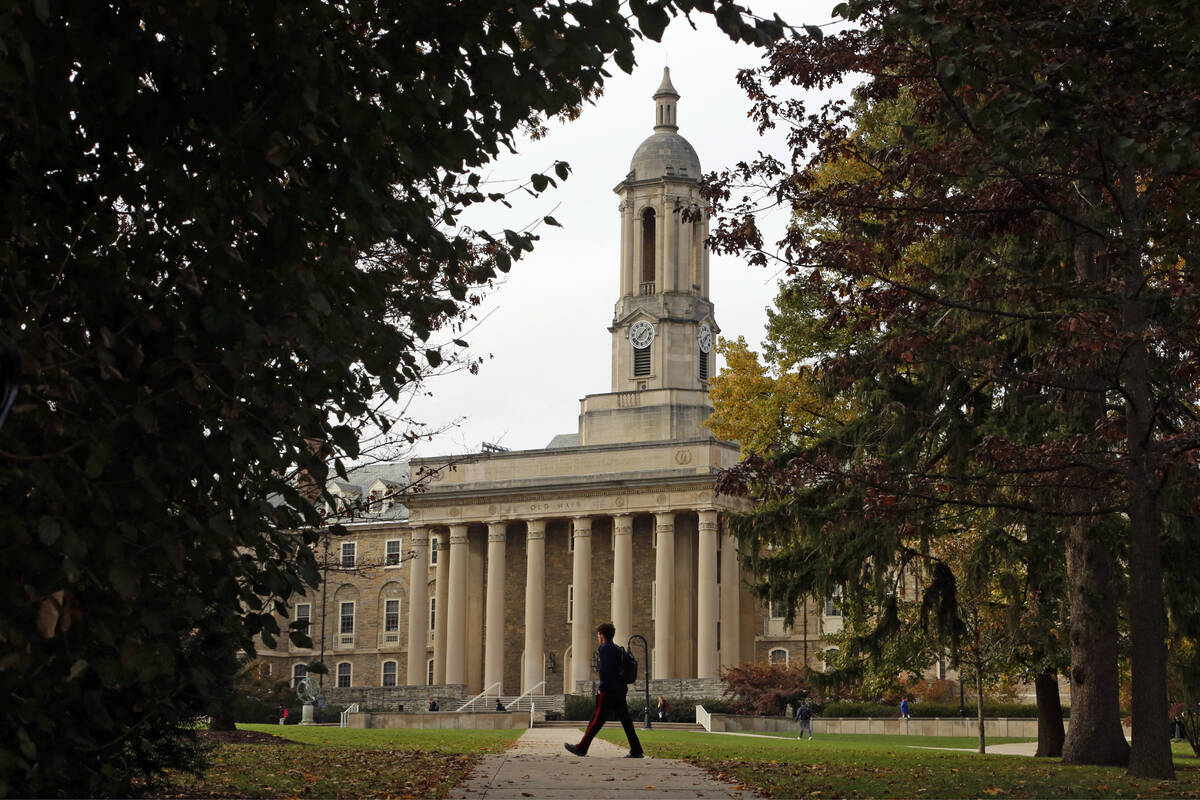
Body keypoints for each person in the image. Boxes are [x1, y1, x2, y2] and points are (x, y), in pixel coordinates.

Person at [564, 622, 644, 758]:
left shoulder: (605, 648)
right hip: (619, 690)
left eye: (598, 634)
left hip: (609, 691)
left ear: (602, 635)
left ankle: (581, 748)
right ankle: (636, 750)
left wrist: (601, 688)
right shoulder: (615, 648)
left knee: (597, 720)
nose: (598, 637)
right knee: (625, 721)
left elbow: (605, 671)